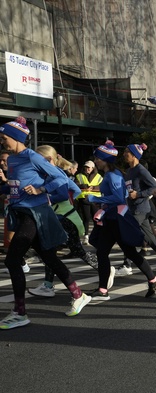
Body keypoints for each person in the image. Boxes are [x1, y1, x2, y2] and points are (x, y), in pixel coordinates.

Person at [0, 117, 91, 329]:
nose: (2, 142)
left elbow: (61, 179)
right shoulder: (12, 160)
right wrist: (6, 187)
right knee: (49, 257)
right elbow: (16, 187)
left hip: (35, 214)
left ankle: (20, 313)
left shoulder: (32, 157)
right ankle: (79, 294)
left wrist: (41, 189)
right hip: (21, 213)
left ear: (16, 138)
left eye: (4, 138)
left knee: (13, 260)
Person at [87, 140, 156, 301]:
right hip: (111, 218)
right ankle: (103, 289)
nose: (95, 161)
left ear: (105, 160)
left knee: (127, 252)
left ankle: (153, 279)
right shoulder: (111, 174)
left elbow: (119, 197)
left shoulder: (113, 175)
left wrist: (95, 198)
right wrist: (101, 201)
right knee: (105, 252)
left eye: (97, 159)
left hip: (117, 219)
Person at [28, 146, 98, 298]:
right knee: (52, 251)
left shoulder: (55, 173)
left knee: (62, 251)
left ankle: (104, 270)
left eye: (37, 159)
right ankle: (48, 286)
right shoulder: (51, 172)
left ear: (48, 159)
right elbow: (73, 191)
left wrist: (44, 197)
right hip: (61, 216)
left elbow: (63, 194)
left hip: (65, 218)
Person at [117, 143, 156, 275]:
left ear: (134, 155)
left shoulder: (141, 170)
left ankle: (127, 265)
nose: (124, 154)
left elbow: (154, 187)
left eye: (127, 152)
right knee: (150, 238)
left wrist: (139, 194)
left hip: (141, 209)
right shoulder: (129, 171)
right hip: (133, 208)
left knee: (126, 233)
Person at [75, 159, 103, 244]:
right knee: (86, 218)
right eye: (86, 167)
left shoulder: (99, 176)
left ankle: (97, 236)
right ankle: (86, 237)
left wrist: (93, 187)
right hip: (84, 199)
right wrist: (85, 186)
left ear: (93, 168)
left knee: (96, 218)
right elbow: (76, 184)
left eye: (89, 167)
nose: (87, 169)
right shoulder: (79, 175)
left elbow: (102, 186)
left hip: (95, 200)